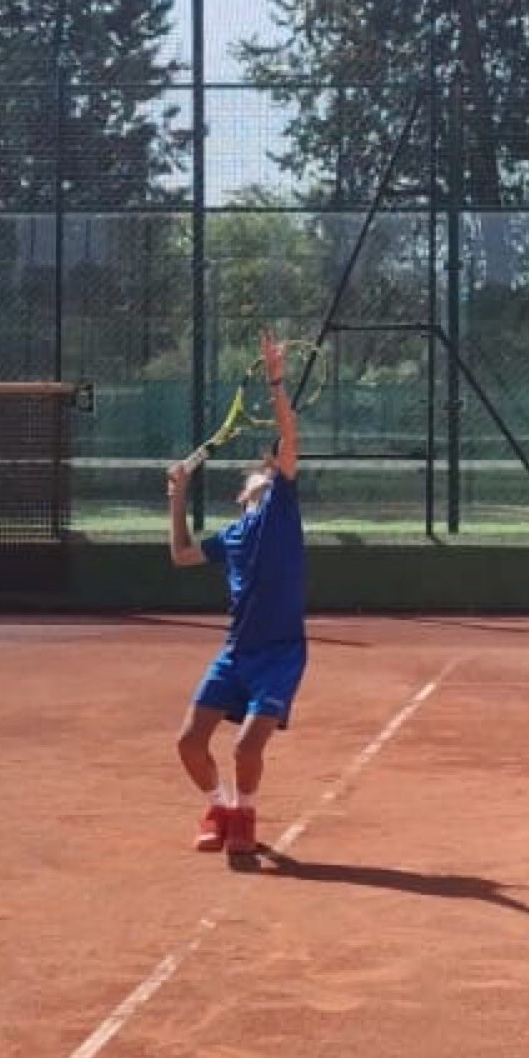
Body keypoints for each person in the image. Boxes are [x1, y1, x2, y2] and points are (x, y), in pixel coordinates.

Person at [167, 331, 307, 862]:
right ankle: (220, 808)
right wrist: (177, 496)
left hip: (281, 654)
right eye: (260, 473)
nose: (266, 472)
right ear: (242, 493)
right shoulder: (230, 537)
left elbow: (288, 436)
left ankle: (244, 814)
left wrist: (277, 379)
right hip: (236, 652)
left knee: (247, 745)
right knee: (188, 743)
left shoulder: (281, 509)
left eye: (270, 470)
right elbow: (182, 555)